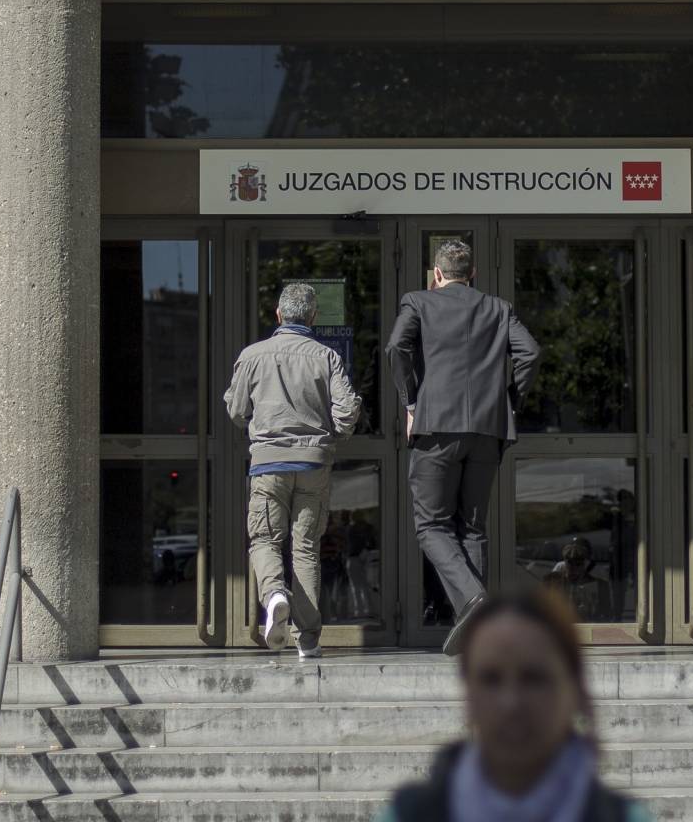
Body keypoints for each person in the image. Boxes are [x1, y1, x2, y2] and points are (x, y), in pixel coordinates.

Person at [386, 238, 540, 654]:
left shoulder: (418, 302)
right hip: (488, 430)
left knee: (431, 525)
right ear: (472, 274)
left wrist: (411, 401)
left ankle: (476, 603)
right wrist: (508, 400)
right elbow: (530, 353)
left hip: (436, 426)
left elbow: (396, 347)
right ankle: (475, 625)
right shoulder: (498, 307)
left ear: (437, 275)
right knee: (471, 527)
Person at [374, 591, 649, 822]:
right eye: (490, 679)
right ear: (467, 693)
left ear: (574, 689)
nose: (511, 703)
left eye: (533, 678)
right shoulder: (405, 815)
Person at [224, 281, 361, 658]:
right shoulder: (326, 356)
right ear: (313, 317)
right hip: (313, 462)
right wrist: (332, 433)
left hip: (269, 462)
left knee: (265, 539)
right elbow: (348, 410)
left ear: (278, 315)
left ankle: (274, 595)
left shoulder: (252, 355)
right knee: (305, 548)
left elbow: (235, 412)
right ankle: (309, 639)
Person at [544, 537, 615, 623]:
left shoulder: (600, 585)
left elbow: (606, 615)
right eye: (569, 563)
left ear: (585, 563)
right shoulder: (552, 583)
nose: (573, 568)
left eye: (578, 564)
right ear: (564, 563)